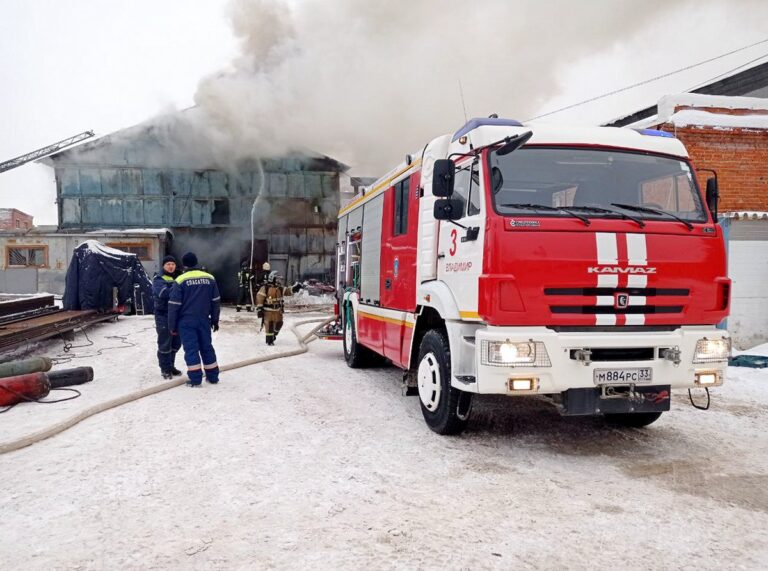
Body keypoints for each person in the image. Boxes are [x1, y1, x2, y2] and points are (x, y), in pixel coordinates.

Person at [168, 252, 221, 387]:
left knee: (191, 349)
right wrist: (215, 320)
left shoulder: (180, 280)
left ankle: (195, 379)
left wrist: (172, 326)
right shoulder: (210, 278)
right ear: (196, 262)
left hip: (186, 322)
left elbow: (174, 305)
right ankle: (213, 377)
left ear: (184, 264)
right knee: (207, 347)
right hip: (204, 320)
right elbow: (215, 301)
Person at [152, 255, 182, 379]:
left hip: (176, 315)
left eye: (173, 264)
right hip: (163, 315)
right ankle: (165, 369)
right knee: (165, 343)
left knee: (176, 343)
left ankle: (171, 365)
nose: (171, 266)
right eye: (168, 264)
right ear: (163, 266)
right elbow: (164, 293)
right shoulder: (158, 278)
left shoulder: (179, 277)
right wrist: (180, 289)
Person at [256, 271, 302, 345]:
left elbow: (287, 291)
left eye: (279, 279)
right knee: (270, 325)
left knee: (279, 323)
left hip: (278, 310)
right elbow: (259, 298)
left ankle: (274, 335)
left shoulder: (280, 288)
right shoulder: (265, 288)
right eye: (277, 279)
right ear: (272, 279)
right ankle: (269, 341)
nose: (279, 281)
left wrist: (295, 288)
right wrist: (259, 309)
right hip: (268, 311)